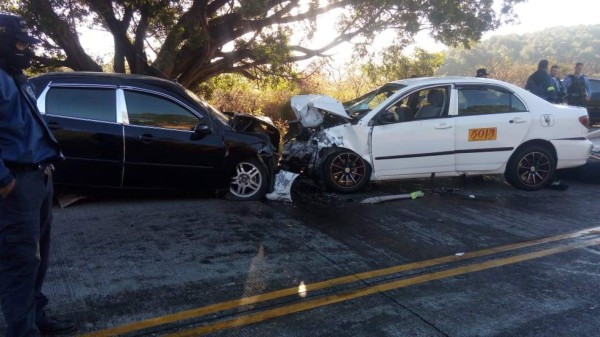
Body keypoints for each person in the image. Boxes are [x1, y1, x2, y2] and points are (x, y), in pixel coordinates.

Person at [0, 13, 75, 337]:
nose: (25, 49)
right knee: (19, 264)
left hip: (40, 179)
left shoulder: (17, 76)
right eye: (18, 43)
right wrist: (4, 182)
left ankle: (38, 321)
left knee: (38, 259)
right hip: (16, 185)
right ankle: (23, 331)